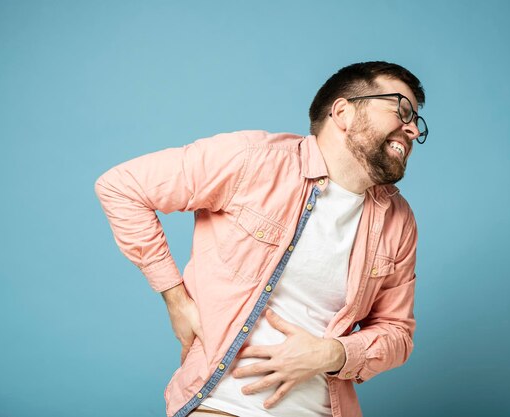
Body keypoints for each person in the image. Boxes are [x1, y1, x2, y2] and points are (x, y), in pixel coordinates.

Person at [95, 61, 427, 417]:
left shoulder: (399, 221)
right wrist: (176, 299)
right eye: (401, 110)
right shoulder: (254, 161)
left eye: (417, 123)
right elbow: (121, 187)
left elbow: (397, 333)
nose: (411, 129)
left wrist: (331, 353)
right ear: (343, 112)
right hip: (225, 405)